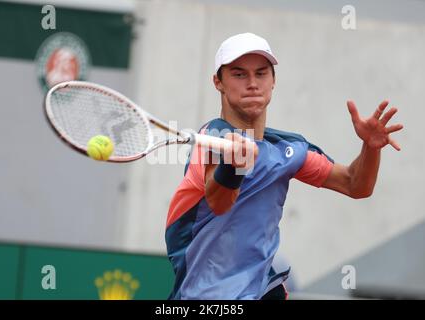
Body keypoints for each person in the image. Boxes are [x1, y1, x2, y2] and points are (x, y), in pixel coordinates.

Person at [164, 33, 403, 300]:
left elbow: (355, 184)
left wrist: (370, 148)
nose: (252, 84)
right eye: (239, 74)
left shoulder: (287, 149)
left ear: (273, 81)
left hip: (261, 292)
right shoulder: (214, 138)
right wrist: (234, 167)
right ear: (218, 82)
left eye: (261, 73)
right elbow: (219, 201)